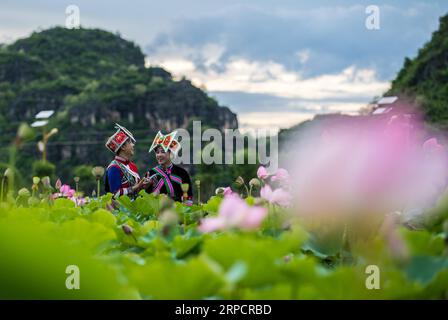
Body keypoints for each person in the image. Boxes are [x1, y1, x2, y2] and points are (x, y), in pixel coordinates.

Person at [144, 130, 193, 204]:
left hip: (179, 212)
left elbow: (188, 197)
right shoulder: (151, 173)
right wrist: (146, 187)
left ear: (171, 153)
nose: (159, 155)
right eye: (157, 152)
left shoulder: (182, 173)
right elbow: (145, 197)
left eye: (163, 152)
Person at [104, 124, 147, 199]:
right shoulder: (114, 168)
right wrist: (135, 187)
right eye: (130, 142)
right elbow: (115, 194)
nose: (133, 145)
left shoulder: (133, 166)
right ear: (123, 147)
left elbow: (138, 190)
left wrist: (144, 185)